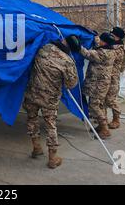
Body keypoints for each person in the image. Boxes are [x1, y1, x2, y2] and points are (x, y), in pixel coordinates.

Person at [23, 35, 80, 169]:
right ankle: (52, 158)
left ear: (64, 40)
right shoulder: (67, 61)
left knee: (32, 119)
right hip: (50, 99)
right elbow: (71, 84)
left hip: (32, 94)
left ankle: (36, 147)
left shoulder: (45, 48)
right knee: (50, 125)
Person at [80, 32, 116, 139]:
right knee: (100, 105)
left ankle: (105, 129)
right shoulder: (111, 50)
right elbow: (98, 44)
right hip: (101, 82)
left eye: (100, 39)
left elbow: (87, 53)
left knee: (94, 106)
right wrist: (95, 36)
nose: (98, 41)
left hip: (98, 83)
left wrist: (77, 45)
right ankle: (101, 126)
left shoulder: (102, 53)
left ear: (104, 42)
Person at [105, 27, 125, 129]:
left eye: (112, 35)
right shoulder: (113, 46)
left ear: (117, 37)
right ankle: (103, 122)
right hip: (106, 76)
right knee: (103, 99)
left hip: (113, 77)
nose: (110, 36)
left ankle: (116, 119)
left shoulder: (119, 49)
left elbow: (108, 56)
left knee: (111, 99)